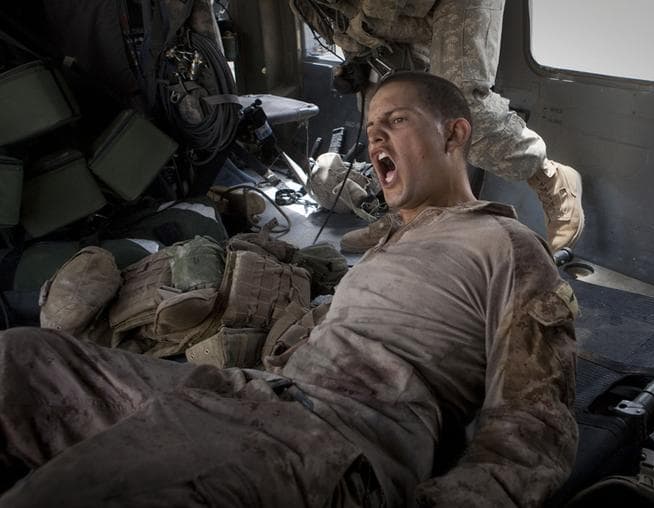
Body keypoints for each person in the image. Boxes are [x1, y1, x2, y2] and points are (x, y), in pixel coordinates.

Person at [0, 72, 577, 507]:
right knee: (19, 358)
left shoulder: (505, 243)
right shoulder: (386, 242)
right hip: (251, 391)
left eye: (395, 121)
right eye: (370, 127)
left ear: (454, 133)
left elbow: (533, 426)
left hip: (329, 435)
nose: (374, 138)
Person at [291, 0, 585, 254]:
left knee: (464, 109)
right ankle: (405, 218)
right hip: (380, 16)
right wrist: (356, 53)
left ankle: (549, 175)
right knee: (384, 114)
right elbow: (334, 17)